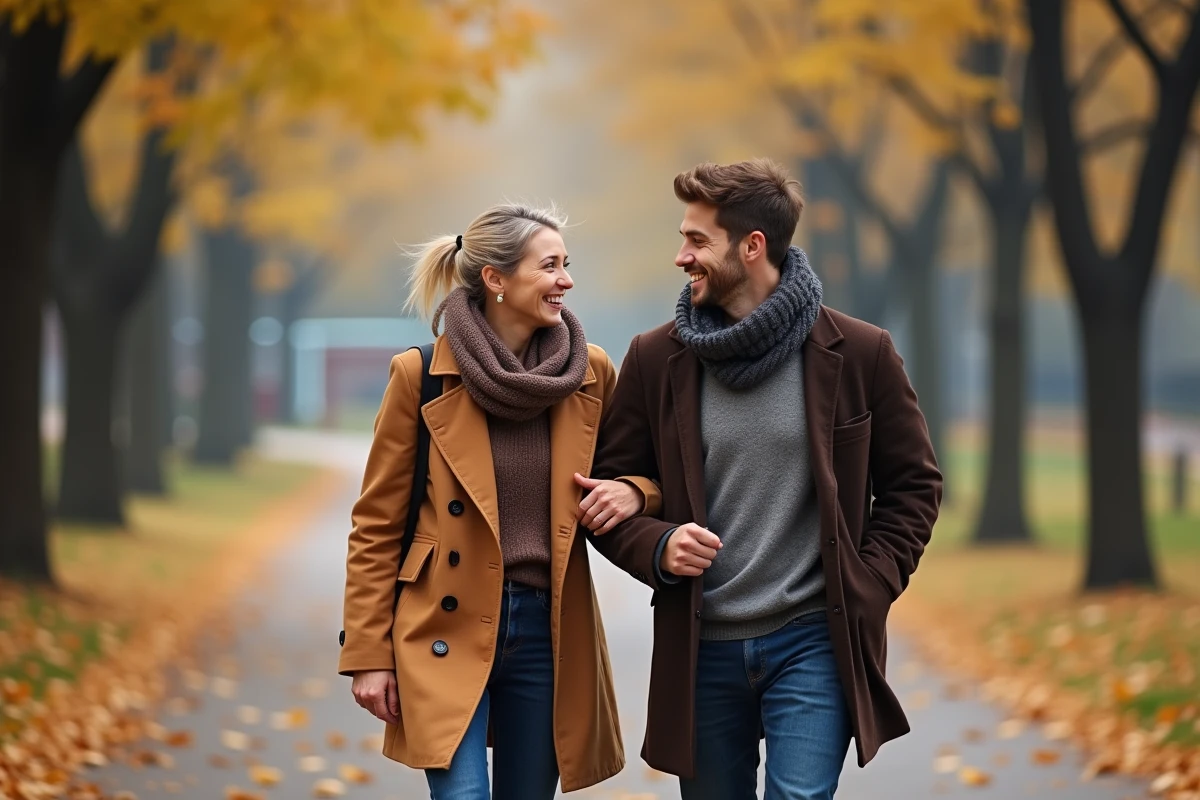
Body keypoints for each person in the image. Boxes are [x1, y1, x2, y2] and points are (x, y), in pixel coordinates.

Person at [585, 159, 943, 800]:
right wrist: (659, 546)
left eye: (697, 241)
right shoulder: (654, 360)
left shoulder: (861, 354)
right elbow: (608, 492)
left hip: (815, 639)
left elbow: (914, 488)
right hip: (701, 648)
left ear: (753, 247)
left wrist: (871, 583)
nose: (681, 256)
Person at [338, 202, 660, 799]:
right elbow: (376, 525)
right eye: (550, 266)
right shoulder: (421, 376)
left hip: (548, 627)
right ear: (496, 279)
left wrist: (634, 493)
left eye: (568, 265)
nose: (566, 280)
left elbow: (644, 473)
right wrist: (366, 652)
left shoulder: (590, 374)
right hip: (444, 621)